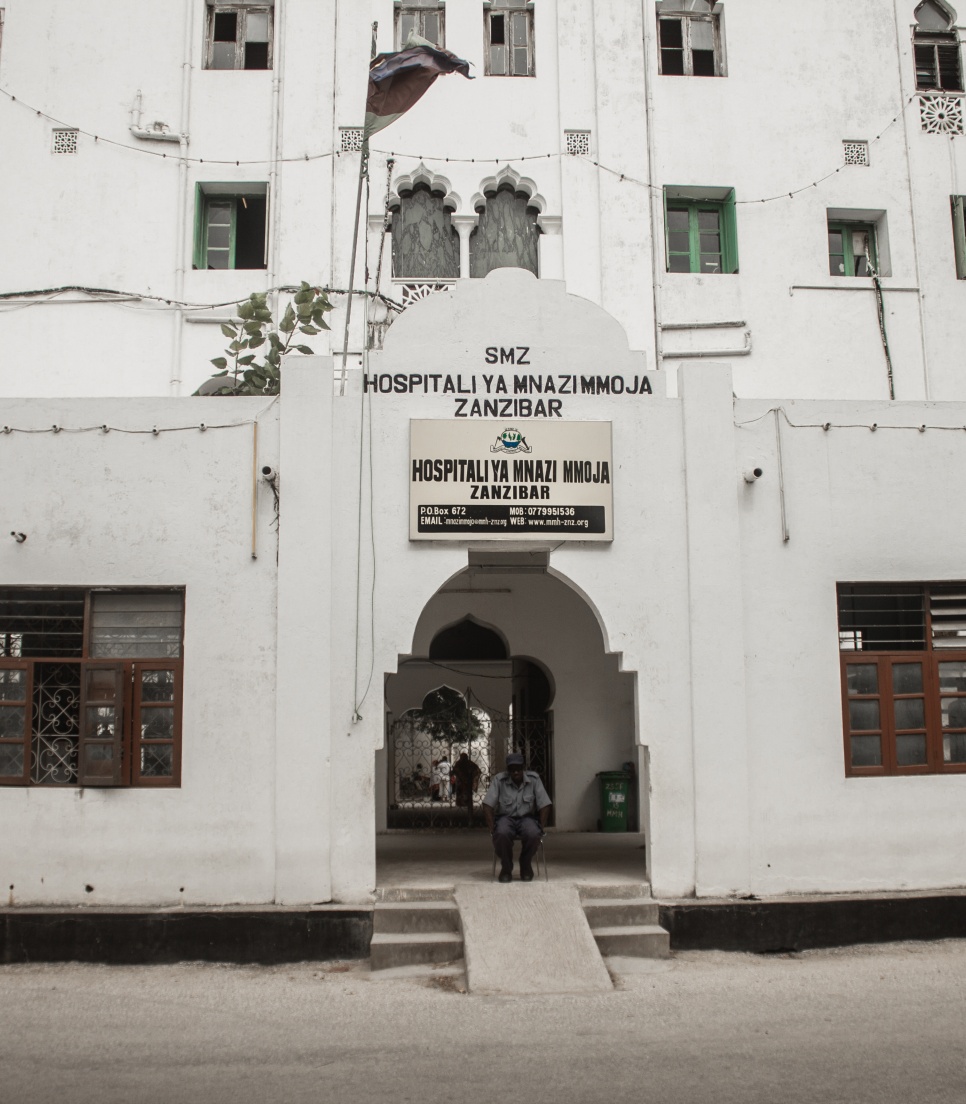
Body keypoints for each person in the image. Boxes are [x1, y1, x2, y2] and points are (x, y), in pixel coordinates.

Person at [482, 752, 552, 883]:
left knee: (533, 833)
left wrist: (541, 827)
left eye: (518, 769)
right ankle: (506, 867)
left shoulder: (534, 779)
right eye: (512, 769)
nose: (515, 772)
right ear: (508, 769)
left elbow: (545, 805)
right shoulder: (499, 780)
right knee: (501, 833)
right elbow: (487, 805)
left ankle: (525, 864)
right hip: (505, 817)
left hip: (527, 818)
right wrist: (492, 829)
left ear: (523, 768)